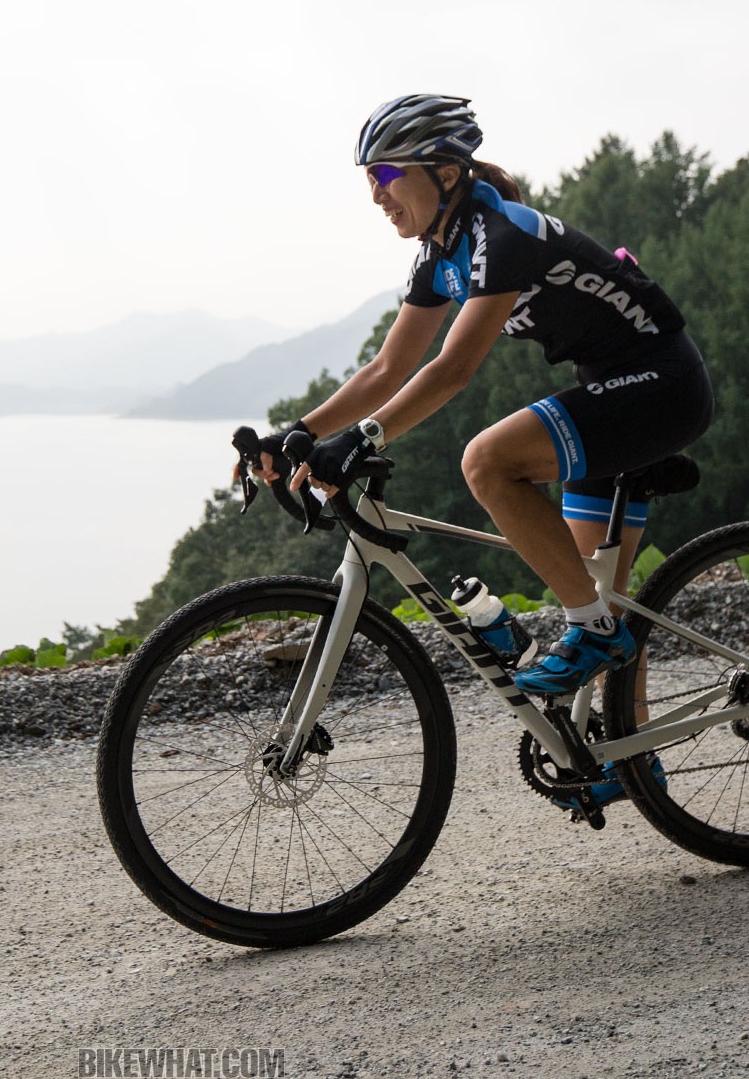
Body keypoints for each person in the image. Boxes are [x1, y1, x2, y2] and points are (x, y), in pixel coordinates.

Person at [242, 93, 715, 699]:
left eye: (386, 173)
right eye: (369, 178)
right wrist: (300, 432)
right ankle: (624, 743)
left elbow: (452, 370)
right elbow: (388, 368)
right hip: (609, 392)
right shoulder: (441, 255)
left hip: (662, 386)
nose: (377, 194)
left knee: (487, 462)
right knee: (604, 604)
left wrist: (363, 438)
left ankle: (594, 632)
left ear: (445, 173)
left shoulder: (503, 233)